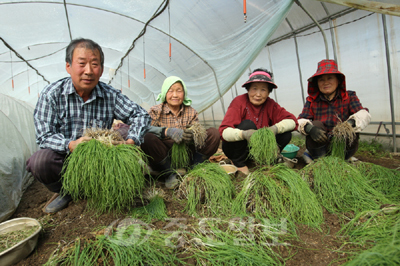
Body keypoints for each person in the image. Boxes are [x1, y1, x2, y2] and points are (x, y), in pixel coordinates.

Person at [26, 38, 151, 213]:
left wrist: (131, 142)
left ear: (101, 70)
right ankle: (67, 191)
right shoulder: (52, 94)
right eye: (82, 63)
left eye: (95, 64)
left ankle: (108, 189)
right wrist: (70, 145)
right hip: (66, 159)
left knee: (126, 154)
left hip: (101, 160)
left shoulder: (110, 95)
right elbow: (44, 136)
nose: (88, 71)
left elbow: (141, 115)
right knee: (40, 162)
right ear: (68, 66)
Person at [141, 76, 220, 189]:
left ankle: (193, 167)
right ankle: (169, 173)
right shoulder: (155, 111)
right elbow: (145, 129)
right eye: (171, 90)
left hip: (187, 153)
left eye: (179, 90)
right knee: (146, 137)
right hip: (164, 154)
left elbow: (198, 131)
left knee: (214, 133)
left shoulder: (191, 112)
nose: (175, 95)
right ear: (164, 93)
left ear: (184, 93)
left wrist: (193, 135)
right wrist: (167, 133)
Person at [219, 68, 298, 175]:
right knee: (247, 125)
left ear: (269, 92)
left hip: (256, 149)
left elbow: (292, 121)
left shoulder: (270, 104)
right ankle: (239, 163)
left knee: (285, 133)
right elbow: (224, 131)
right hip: (235, 148)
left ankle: (266, 159)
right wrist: (244, 134)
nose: (258, 94)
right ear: (248, 89)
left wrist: (274, 129)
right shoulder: (239, 102)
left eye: (263, 90)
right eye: (254, 89)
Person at [297, 59, 371, 162]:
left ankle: (343, 158)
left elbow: (363, 114)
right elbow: (300, 120)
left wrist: (349, 124)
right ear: (317, 83)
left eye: (330, 78)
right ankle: (320, 159)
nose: (325, 82)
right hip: (319, 147)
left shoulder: (349, 96)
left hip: (343, 147)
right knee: (316, 125)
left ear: (338, 80)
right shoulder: (312, 101)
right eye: (321, 80)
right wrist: (310, 129)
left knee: (349, 130)